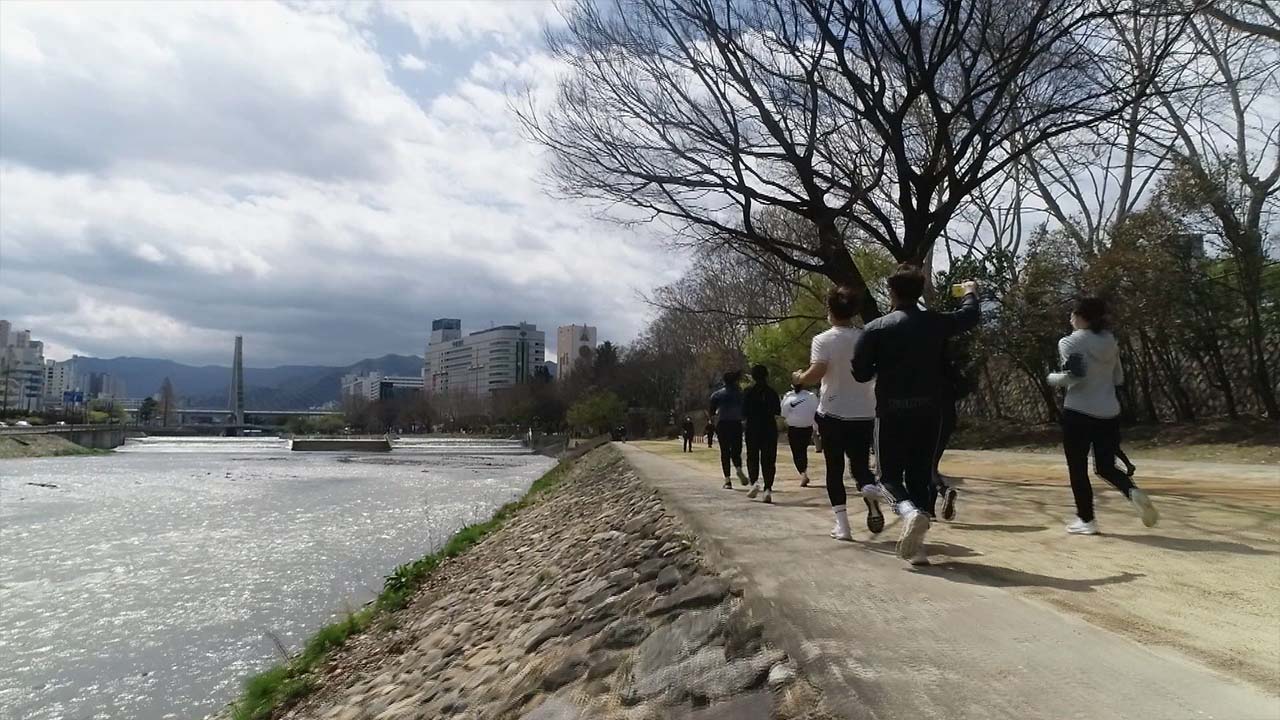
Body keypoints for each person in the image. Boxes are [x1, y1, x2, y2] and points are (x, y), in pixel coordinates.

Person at [852, 265, 980, 566]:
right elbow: (970, 316)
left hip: (891, 411)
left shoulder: (875, 329)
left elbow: (860, 373)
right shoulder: (936, 322)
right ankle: (918, 549)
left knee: (887, 477)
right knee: (920, 475)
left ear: (891, 292)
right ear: (920, 291)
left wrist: (880, 365)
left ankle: (909, 513)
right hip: (930, 410)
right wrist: (970, 293)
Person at [1047, 297, 1158, 535]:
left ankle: (1086, 520)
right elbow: (1118, 378)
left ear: (1080, 317)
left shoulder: (1069, 341)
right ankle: (1132, 491)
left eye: (1072, 314)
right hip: (1109, 412)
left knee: (1077, 468)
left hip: (1079, 411)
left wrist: (1053, 379)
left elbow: (1076, 375)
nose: (1070, 318)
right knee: (1106, 467)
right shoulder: (1110, 341)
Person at [793, 286, 880, 542]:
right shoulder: (866, 337)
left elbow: (817, 372)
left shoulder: (823, 340)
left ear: (830, 310)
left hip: (833, 412)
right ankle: (868, 487)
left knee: (835, 467)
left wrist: (799, 377)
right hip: (864, 411)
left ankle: (843, 526)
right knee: (860, 463)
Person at [743, 365, 782, 503]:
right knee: (769, 460)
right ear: (766, 375)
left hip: (752, 428)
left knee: (752, 457)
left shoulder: (748, 392)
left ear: (753, 376)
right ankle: (768, 489)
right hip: (769, 428)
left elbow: (743, 412)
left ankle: (754, 483)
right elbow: (777, 411)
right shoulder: (772, 392)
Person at [709, 371, 748, 488]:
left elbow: (712, 412)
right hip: (736, 423)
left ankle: (727, 480)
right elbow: (744, 410)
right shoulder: (740, 394)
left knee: (724, 451)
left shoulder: (717, 395)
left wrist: (713, 421)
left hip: (723, 424)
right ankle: (738, 468)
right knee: (736, 450)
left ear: (724, 381)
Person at [780, 382, 819, 487]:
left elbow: (783, 413)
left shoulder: (789, 397)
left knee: (797, 452)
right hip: (805, 428)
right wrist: (816, 427)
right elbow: (816, 412)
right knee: (802, 450)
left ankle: (803, 473)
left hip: (796, 428)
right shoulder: (811, 396)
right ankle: (803, 472)